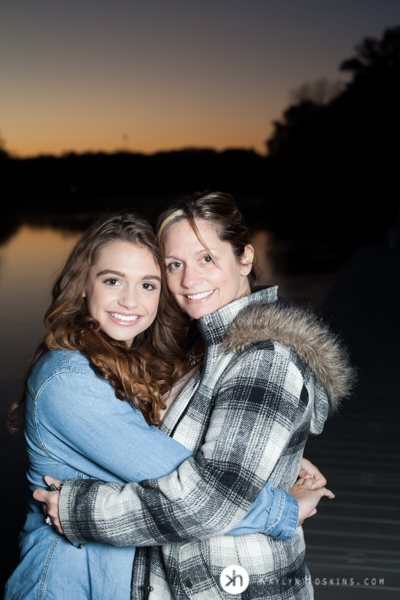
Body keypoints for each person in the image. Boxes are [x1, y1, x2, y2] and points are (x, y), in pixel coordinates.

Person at [36, 192, 352, 600]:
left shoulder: (264, 358)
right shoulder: (207, 349)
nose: (188, 280)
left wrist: (79, 512)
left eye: (206, 259)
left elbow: (211, 502)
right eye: (174, 265)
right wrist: (274, 460)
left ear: (245, 259)